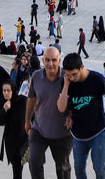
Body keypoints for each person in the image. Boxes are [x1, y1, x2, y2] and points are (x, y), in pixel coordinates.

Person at [58, 53, 105, 179]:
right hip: (78, 133)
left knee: (99, 168)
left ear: (82, 67)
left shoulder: (97, 79)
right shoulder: (67, 83)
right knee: (79, 168)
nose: (72, 78)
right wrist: (66, 85)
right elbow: (62, 107)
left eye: (74, 74)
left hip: (97, 131)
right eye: (68, 75)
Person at [26, 46, 73, 179]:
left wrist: (71, 116)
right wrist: (27, 120)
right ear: (42, 60)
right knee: (34, 162)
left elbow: (77, 101)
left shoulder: (68, 77)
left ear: (59, 60)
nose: (50, 64)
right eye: (47, 60)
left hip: (62, 133)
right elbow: (31, 99)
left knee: (62, 168)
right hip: (39, 130)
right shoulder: (36, 76)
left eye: (54, 60)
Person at [0, 80, 30, 179]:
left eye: (8, 90)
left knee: (30, 165)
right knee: (16, 167)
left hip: (24, 138)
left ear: (13, 90)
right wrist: (4, 109)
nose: (6, 93)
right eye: (4, 90)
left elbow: (33, 115)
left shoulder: (22, 101)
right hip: (11, 140)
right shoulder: (2, 102)